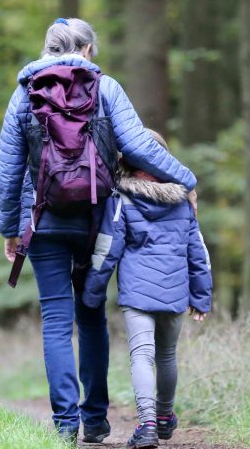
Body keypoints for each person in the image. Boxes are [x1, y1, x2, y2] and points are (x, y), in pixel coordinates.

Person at [0, 18, 198, 443]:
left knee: (55, 320)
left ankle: (65, 425)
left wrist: (10, 229)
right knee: (91, 316)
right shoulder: (106, 88)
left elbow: (9, 172)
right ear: (87, 49)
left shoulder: (23, 94)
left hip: (44, 221)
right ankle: (96, 420)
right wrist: (187, 180)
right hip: (97, 220)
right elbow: (141, 146)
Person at [82, 130, 212, 449]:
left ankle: (148, 424)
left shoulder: (122, 198)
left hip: (138, 293)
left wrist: (92, 291)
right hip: (175, 290)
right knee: (167, 355)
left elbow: (107, 248)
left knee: (142, 355)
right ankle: (166, 416)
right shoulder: (183, 200)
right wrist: (201, 296)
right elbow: (198, 252)